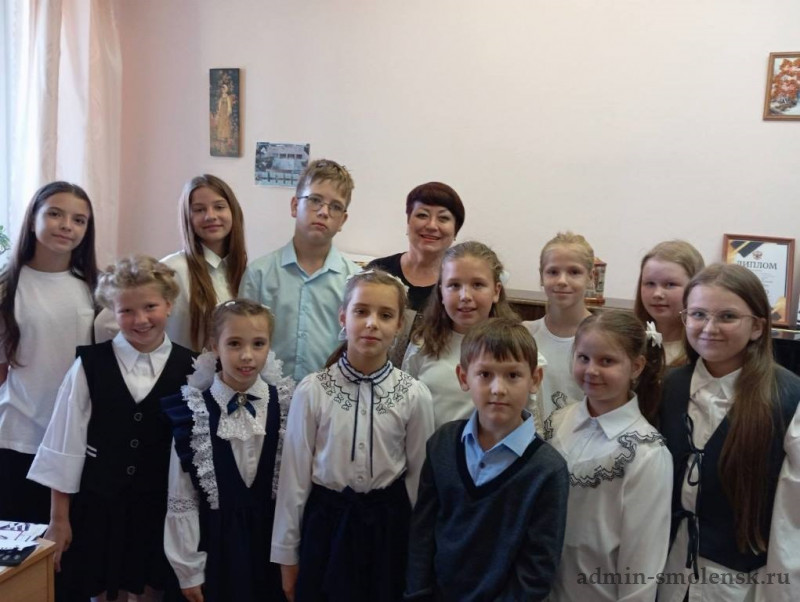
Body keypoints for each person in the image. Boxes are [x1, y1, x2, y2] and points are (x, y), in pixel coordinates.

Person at [27, 255, 194, 601]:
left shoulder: (192, 368)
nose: (140, 319)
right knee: (101, 588)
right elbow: (65, 444)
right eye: (126, 311)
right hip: (98, 506)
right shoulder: (89, 365)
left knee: (150, 587)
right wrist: (59, 519)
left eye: (150, 307)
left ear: (169, 304)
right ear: (112, 312)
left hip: (158, 508)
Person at [272, 270, 434, 602]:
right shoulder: (313, 390)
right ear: (343, 317)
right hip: (326, 527)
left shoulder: (414, 395)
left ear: (399, 325)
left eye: (385, 315)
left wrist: (419, 555)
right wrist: (287, 553)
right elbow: (294, 478)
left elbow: (419, 481)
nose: (372, 323)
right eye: (361, 311)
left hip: (387, 531)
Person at [658, 264, 800, 602]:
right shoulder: (668, 386)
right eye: (698, 314)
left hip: (739, 584)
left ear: (757, 327)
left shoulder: (788, 398)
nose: (710, 328)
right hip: (667, 570)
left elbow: (791, 518)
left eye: (727, 317)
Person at [406, 318, 568, 601]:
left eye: (513, 375)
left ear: (534, 379)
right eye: (485, 374)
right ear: (463, 377)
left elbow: (536, 571)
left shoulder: (548, 470)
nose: (498, 389)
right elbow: (422, 533)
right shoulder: (443, 443)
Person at [162, 299, 292, 602]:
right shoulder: (194, 411)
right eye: (234, 343)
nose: (247, 355)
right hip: (214, 552)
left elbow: (295, 492)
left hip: (269, 551)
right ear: (215, 346)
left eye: (258, 344)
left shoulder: (287, 405)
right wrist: (188, 569)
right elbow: (182, 497)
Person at [544, 310, 671, 601]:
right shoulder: (556, 422)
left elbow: (643, 562)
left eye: (607, 361)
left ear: (636, 366)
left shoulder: (645, 453)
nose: (591, 370)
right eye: (583, 358)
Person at [0, 181, 97, 523]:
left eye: (79, 220)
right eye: (55, 214)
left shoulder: (95, 286)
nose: (67, 226)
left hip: (79, 438)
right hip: (19, 437)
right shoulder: (8, 285)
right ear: (32, 219)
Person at [95, 175, 247, 352]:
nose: (210, 216)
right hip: (180, 368)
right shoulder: (173, 270)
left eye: (219, 207)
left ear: (233, 211)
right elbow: (105, 324)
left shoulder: (241, 270)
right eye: (199, 210)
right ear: (187, 217)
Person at [239, 159, 360, 382]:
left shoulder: (353, 282)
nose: (324, 212)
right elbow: (242, 341)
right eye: (315, 200)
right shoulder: (259, 274)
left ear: (343, 220)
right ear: (295, 206)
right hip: (267, 393)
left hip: (330, 394)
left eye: (335, 206)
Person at [403, 241, 518, 429]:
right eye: (454, 285)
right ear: (441, 291)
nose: (465, 296)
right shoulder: (423, 344)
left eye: (477, 285)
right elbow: (405, 406)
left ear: (496, 291)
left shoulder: (515, 347)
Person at [368, 182, 465, 365]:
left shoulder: (460, 284)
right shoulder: (379, 271)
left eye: (443, 218)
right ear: (408, 222)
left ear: (455, 230)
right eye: (422, 215)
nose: (432, 225)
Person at [524, 232, 594, 427]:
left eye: (574, 272)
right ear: (541, 276)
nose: (562, 280)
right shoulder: (526, 334)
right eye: (553, 272)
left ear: (591, 277)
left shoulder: (605, 338)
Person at [634, 240, 704, 367]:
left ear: (695, 288)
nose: (657, 294)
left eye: (670, 284)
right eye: (650, 283)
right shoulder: (627, 343)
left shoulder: (705, 352)